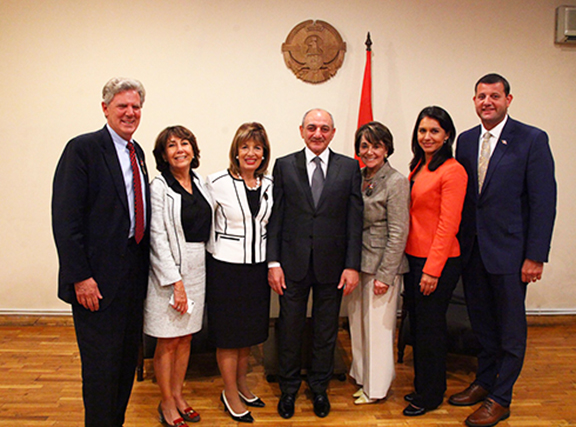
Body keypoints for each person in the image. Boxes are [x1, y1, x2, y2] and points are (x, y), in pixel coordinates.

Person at [449, 73, 557, 427]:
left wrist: (535, 255)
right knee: (482, 325)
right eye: (481, 96)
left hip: (512, 254)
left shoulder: (531, 139)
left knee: (510, 329)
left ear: (509, 99)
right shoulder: (465, 141)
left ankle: (501, 396)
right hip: (474, 252)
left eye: (494, 96)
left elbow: (543, 202)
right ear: (475, 100)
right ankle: (484, 381)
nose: (487, 102)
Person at [52, 77, 150, 426]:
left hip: (131, 280)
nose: (130, 112)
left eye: (136, 106)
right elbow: (66, 220)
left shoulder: (137, 153)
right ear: (105, 108)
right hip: (95, 283)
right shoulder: (83, 149)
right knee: (99, 370)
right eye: (122, 105)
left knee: (124, 364)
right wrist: (80, 277)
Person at [267, 109, 363, 419]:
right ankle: (289, 389)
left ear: (333, 133)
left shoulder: (349, 168)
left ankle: (319, 388)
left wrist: (352, 265)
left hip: (333, 266)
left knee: (325, 331)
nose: (317, 133)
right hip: (292, 263)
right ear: (301, 130)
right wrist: (274, 262)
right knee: (290, 329)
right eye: (312, 127)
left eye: (324, 128)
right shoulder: (284, 166)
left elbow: (354, 221)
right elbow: (276, 218)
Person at [205, 122, 273, 424]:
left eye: (257, 147)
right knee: (229, 335)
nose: (251, 153)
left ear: (264, 153)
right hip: (225, 269)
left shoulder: (269, 185)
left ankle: (243, 385)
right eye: (245, 146)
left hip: (257, 269)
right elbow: (203, 226)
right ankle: (229, 391)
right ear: (236, 150)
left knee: (248, 334)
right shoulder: (215, 181)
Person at [144, 126, 212, 426]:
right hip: (169, 273)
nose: (180, 149)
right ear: (163, 155)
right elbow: (157, 237)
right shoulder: (159, 187)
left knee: (185, 338)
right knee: (168, 341)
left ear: (194, 150)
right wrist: (175, 281)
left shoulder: (201, 183)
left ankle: (179, 394)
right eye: (172, 145)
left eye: (185, 143)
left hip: (199, 267)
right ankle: (167, 403)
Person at [402, 106, 467, 417]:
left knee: (430, 330)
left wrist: (432, 269)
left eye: (434, 131)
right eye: (422, 130)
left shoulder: (453, 171)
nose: (427, 136)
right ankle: (422, 385)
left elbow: (448, 225)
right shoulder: (419, 166)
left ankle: (431, 395)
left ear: (447, 136)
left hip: (436, 261)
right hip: (413, 257)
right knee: (419, 327)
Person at [346, 122, 410, 405]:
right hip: (357, 264)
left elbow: (399, 232)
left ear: (387, 148)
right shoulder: (359, 176)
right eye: (364, 146)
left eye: (376, 145)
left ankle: (376, 389)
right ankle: (362, 376)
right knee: (358, 325)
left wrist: (386, 274)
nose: (369, 151)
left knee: (378, 331)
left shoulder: (396, 181)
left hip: (382, 267)